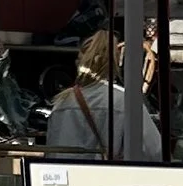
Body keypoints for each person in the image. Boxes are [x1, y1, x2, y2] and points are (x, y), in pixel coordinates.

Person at [44, 27, 165, 161]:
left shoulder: (62, 102)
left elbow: (52, 153)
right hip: (107, 173)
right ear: (116, 62)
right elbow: (154, 153)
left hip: (69, 173)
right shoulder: (125, 101)